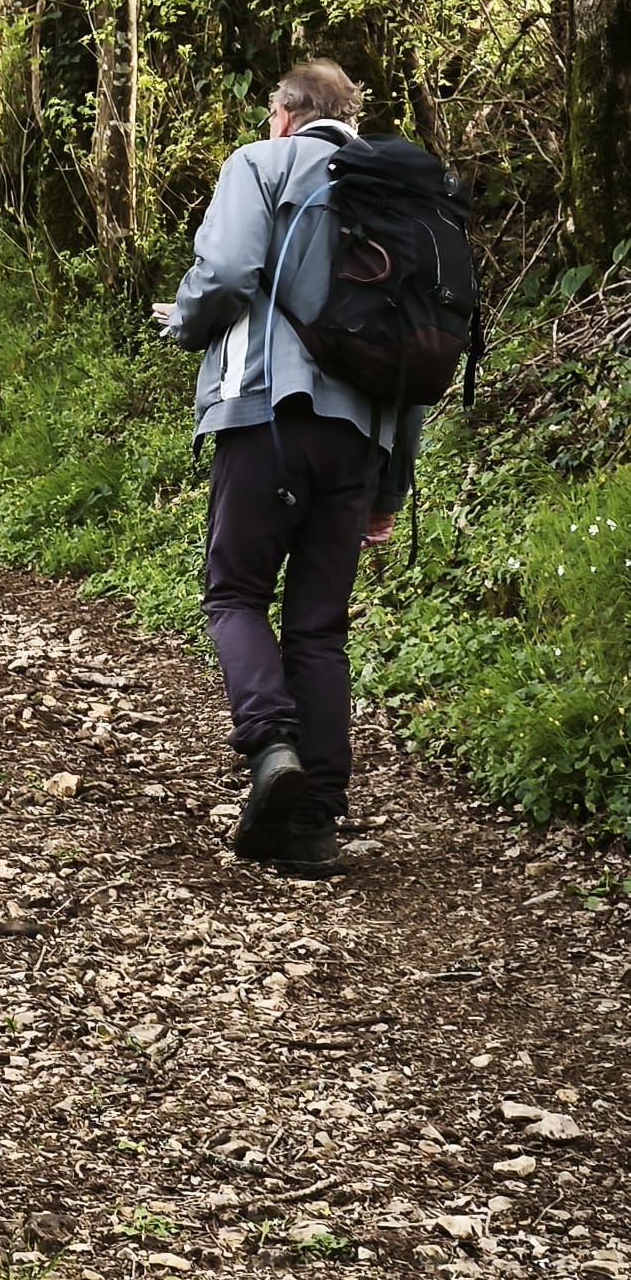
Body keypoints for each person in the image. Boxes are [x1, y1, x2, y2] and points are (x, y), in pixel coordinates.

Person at [153, 59, 420, 876]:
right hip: (360, 438)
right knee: (318, 623)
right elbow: (413, 352)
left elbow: (230, 273)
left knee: (234, 591)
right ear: (348, 116)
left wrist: (186, 325)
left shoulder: (261, 164)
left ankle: (271, 750)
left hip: (264, 415)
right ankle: (316, 819)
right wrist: (390, 484)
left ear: (282, 112)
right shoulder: (396, 195)